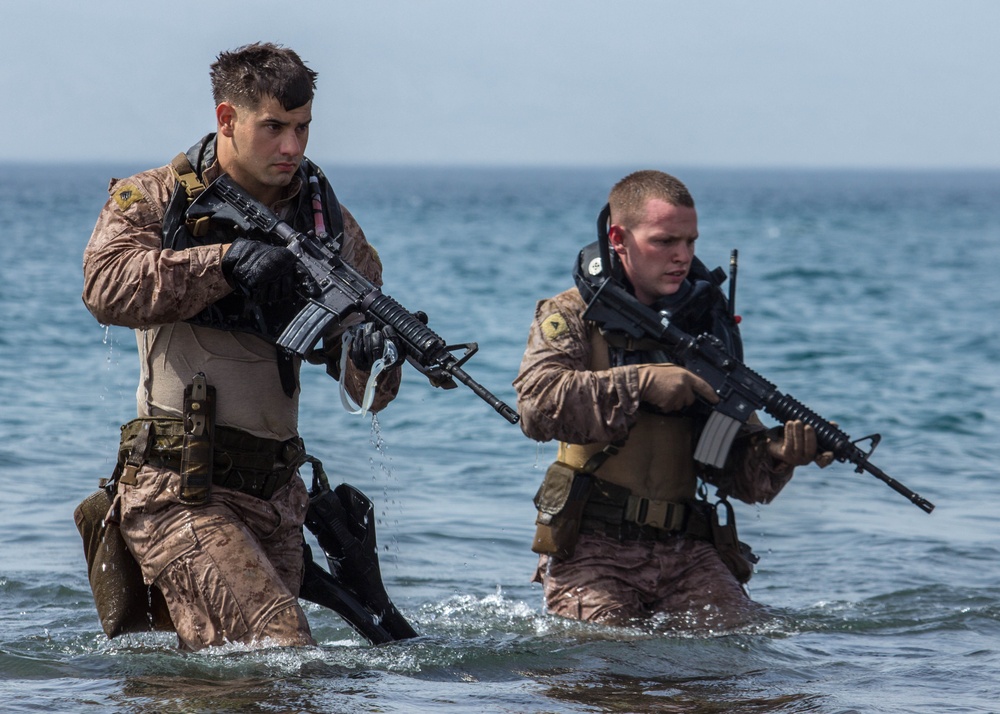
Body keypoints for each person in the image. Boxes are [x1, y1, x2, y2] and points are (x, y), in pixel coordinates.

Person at [82, 43, 403, 650]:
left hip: (278, 500)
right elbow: (104, 286)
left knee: (258, 689)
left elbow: (369, 394)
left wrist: (366, 357)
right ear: (228, 119)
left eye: (303, 128)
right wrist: (224, 263)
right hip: (180, 488)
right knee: (281, 649)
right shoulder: (157, 197)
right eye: (274, 128)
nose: (293, 147)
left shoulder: (328, 226)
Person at [514, 170, 831, 630]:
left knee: (748, 665)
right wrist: (642, 381)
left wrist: (779, 454)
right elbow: (537, 406)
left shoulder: (706, 326)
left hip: (689, 549)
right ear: (618, 238)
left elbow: (731, 468)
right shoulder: (571, 314)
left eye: (690, 242)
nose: (682, 256)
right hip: (593, 546)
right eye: (665, 241)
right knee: (606, 672)